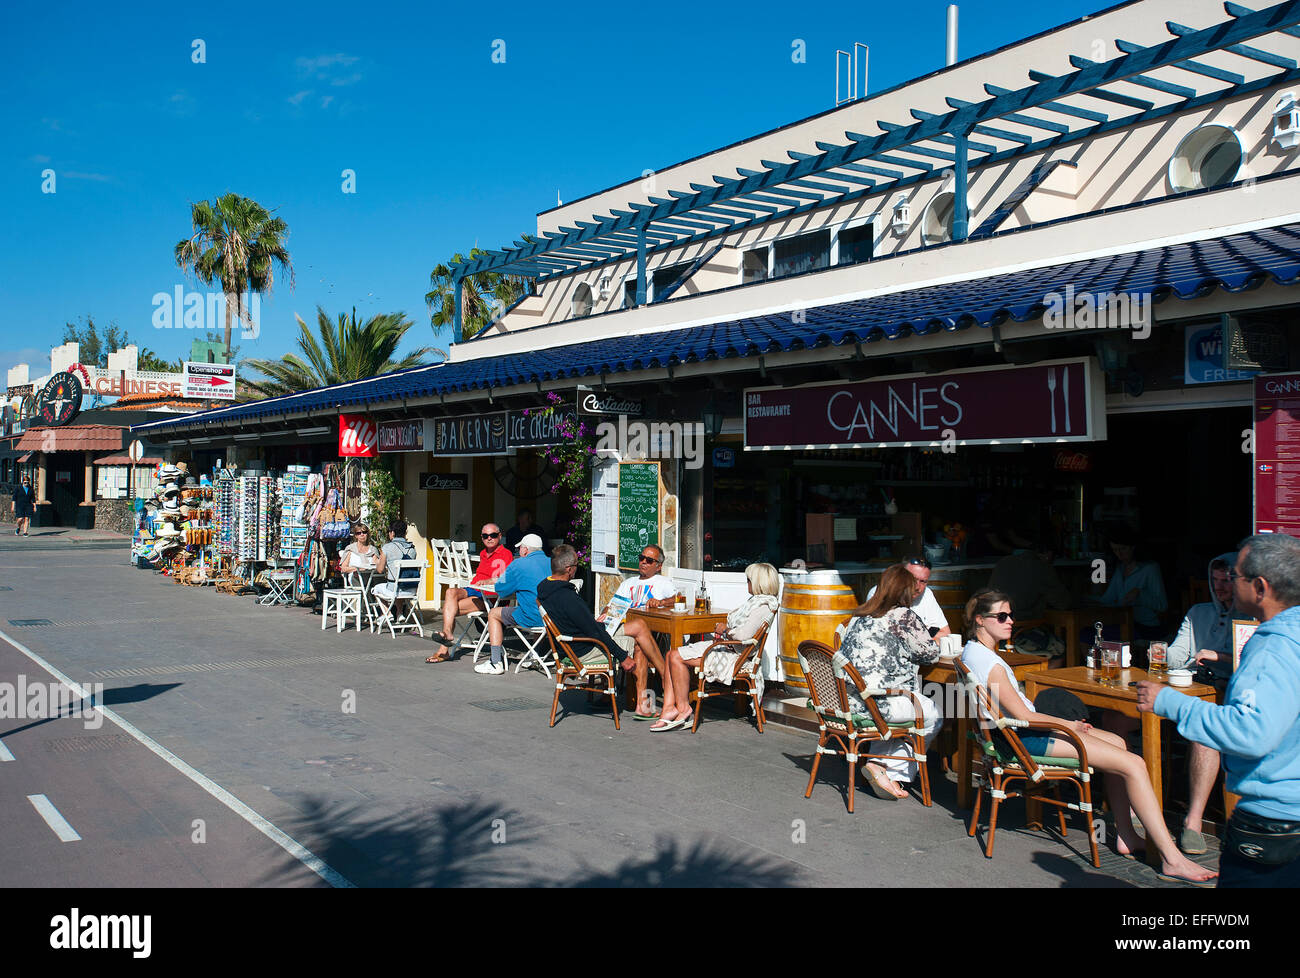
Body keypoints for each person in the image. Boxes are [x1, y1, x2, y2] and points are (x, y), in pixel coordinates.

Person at [963, 588, 1216, 885]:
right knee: (1133, 764)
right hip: (1022, 739)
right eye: (1002, 616)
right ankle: (1173, 858)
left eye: (1011, 615)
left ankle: (1126, 834)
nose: (1010, 621)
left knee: (1119, 743)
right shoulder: (990, 664)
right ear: (980, 620)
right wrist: (1069, 725)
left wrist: (1067, 725)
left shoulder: (973, 653)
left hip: (1010, 734)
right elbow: (1025, 716)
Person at [1137, 534, 1300, 888]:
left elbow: (1251, 732)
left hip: (1275, 822)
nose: (1227, 582)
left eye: (1236, 576)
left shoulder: (1273, 648)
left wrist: (1169, 702)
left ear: (1259, 587)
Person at [818, 564, 943, 798]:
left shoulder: (859, 616)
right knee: (933, 714)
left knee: (903, 709)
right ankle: (894, 773)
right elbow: (931, 654)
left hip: (848, 702)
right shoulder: (903, 616)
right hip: (879, 705)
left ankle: (877, 765)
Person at [1163, 553, 1238, 855]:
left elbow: (1256, 662)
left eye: (1228, 581)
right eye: (1216, 581)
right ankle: (1131, 810)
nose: (1220, 588)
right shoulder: (1198, 612)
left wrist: (1219, 658)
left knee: (1204, 733)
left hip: (1229, 700)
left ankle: (1192, 822)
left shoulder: (1251, 617)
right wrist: (1186, 659)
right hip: (1192, 689)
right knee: (1123, 717)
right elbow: (1173, 653)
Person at [652, 563, 780, 733]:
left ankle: (683, 709)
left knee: (676, 657)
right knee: (670, 654)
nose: (747, 583)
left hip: (735, 656)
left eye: (749, 580)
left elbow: (743, 636)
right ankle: (669, 708)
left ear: (758, 582)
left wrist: (725, 630)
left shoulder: (763, 607)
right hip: (730, 649)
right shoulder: (757, 602)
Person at [599, 544, 678, 718]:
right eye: (641, 558)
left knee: (639, 646)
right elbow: (612, 606)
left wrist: (661, 602)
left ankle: (642, 703)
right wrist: (605, 614)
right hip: (625, 632)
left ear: (658, 566)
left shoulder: (663, 583)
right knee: (638, 644)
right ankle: (662, 680)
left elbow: (678, 599)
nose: (643, 562)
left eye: (649, 560)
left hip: (651, 636)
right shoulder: (629, 583)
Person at [538, 544, 635, 672]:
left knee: (638, 626)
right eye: (576, 566)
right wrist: (623, 656)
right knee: (636, 639)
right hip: (582, 651)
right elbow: (595, 632)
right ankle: (639, 690)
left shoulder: (544, 589)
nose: (577, 569)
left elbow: (582, 624)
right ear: (569, 569)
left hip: (568, 647)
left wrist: (595, 624)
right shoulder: (568, 597)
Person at [426, 523, 514, 662]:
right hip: (475, 589)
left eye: (493, 535)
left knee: (449, 609)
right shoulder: (483, 553)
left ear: (500, 536)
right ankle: (448, 634)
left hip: (489, 596)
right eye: (485, 536)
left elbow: (506, 578)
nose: (489, 538)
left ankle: (444, 649)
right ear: (481, 537)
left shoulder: (505, 554)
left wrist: (490, 581)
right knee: (450, 593)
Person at [475, 534, 551, 676]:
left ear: (525, 550)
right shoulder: (552, 562)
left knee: (493, 613)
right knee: (536, 607)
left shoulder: (518, 564)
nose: (519, 552)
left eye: (520, 548)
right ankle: (534, 655)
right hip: (551, 618)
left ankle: (495, 662)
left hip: (531, 617)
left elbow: (501, 590)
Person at [1098, 526, 1168, 639]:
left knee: (1094, 635)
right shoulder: (1120, 569)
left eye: (1123, 549)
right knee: (1087, 633)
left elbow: (1162, 605)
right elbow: (1108, 599)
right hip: (1124, 623)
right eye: (1115, 550)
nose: (1119, 554)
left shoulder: (1150, 568)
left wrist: (1140, 595)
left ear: (1133, 547)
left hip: (1146, 627)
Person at [865, 556, 950, 638]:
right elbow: (883, 636)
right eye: (913, 579)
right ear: (901, 576)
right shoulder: (880, 592)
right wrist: (925, 638)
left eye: (923, 581)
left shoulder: (926, 594)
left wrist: (922, 641)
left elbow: (945, 633)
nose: (917, 586)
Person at [988, 543, 1072, 621]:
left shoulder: (1004, 562)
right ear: (1048, 554)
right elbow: (1063, 602)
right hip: (1020, 625)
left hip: (992, 622)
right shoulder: (1042, 567)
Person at [371, 518, 418, 602]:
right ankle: (399, 613)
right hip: (412, 590)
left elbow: (380, 570)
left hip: (395, 590)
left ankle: (387, 614)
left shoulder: (387, 547)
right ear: (405, 532)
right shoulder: (412, 549)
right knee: (398, 583)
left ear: (392, 533)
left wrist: (377, 562)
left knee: (376, 588)